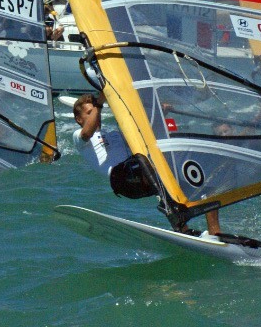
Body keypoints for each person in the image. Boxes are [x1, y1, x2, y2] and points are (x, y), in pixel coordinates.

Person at [73, 91, 222, 236]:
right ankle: (179, 224)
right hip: (122, 179)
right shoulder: (79, 137)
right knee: (147, 164)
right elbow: (87, 133)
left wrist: (159, 115)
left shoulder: (114, 134)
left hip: (140, 172)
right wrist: (99, 103)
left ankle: (214, 234)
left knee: (201, 178)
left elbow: (143, 133)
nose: (96, 114)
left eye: (95, 111)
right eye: (89, 113)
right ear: (79, 119)